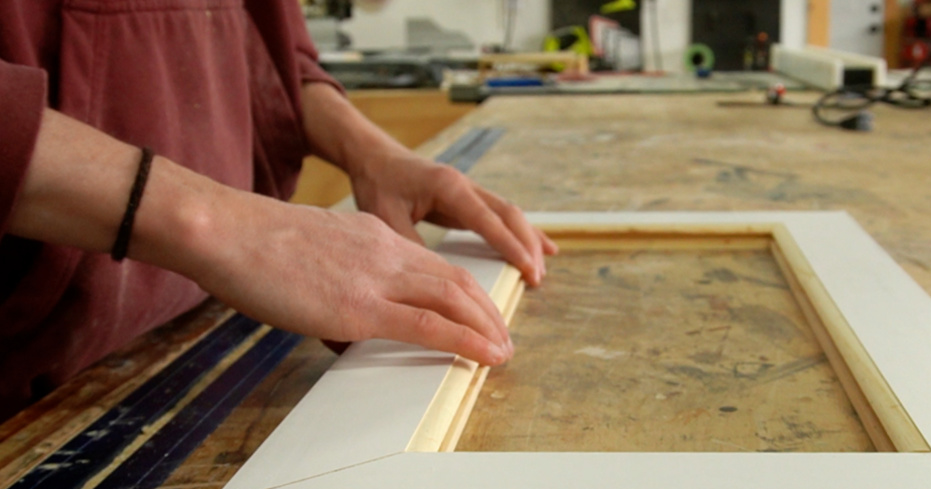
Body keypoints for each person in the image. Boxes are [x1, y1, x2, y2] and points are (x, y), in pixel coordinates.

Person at [0, 1, 556, 422]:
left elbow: (267, 47)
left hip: (190, 329)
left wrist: (371, 153)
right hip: (33, 387)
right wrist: (217, 224)